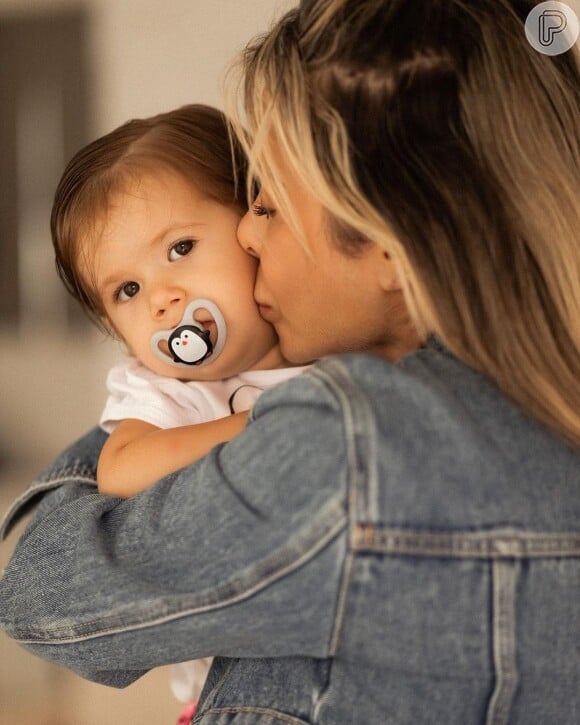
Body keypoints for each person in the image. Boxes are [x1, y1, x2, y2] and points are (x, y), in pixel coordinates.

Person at [1, 1, 579, 723]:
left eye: (268, 203)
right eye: (126, 290)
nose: (246, 232)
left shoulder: (341, 439)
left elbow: (43, 596)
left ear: (392, 246)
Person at [49, 103, 307, 717]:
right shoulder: (165, 392)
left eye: (181, 247)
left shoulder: (334, 349)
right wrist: (257, 427)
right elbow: (122, 469)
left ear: (253, 223)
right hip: (226, 700)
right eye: (127, 291)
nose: (163, 299)